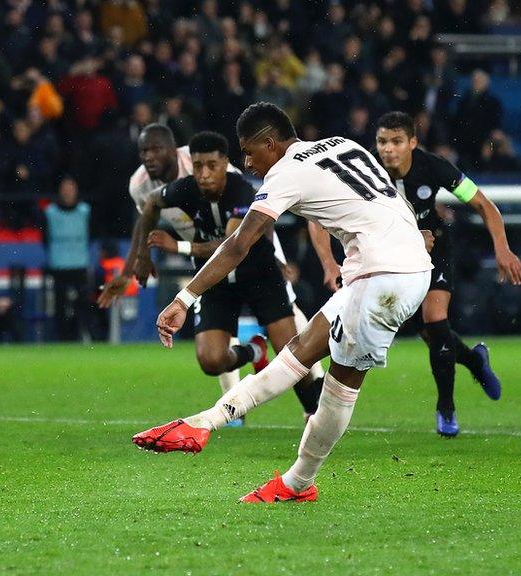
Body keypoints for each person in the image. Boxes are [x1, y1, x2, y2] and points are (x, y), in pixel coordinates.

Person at [132, 102, 433, 503]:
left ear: (270, 144)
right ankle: (209, 423)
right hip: (392, 269)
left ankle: (292, 479)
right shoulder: (344, 145)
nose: (246, 162)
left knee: (338, 388)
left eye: (249, 152)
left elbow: (238, 243)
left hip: (383, 279)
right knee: (300, 352)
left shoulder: (286, 172)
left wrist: (185, 297)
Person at [99, 124, 323, 420]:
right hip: (211, 267)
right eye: (144, 151)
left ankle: (316, 406)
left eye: (156, 149)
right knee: (210, 358)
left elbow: (235, 244)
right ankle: (241, 389)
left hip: (254, 261)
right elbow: (150, 210)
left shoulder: (237, 185)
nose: (204, 173)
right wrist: (137, 260)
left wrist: (177, 247)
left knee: (289, 342)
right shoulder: (155, 186)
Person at [366, 111, 521, 436]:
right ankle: (474, 362)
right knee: (429, 333)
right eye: (382, 141)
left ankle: (446, 409)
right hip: (395, 253)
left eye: (396, 142)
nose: (388, 149)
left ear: (413, 142)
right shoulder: (367, 171)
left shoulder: (434, 167)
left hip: (435, 248)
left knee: (435, 318)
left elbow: (483, 204)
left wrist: (502, 248)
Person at [43, 176, 91, 342]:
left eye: (71, 188)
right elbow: (45, 239)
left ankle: (81, 335)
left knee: (82, 304)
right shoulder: (50, 212)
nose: (68, 192)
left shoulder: (85, 211)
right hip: (59, 265)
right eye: (65, 188)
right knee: (60, 304)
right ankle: (61, 338)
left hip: (80, 264)